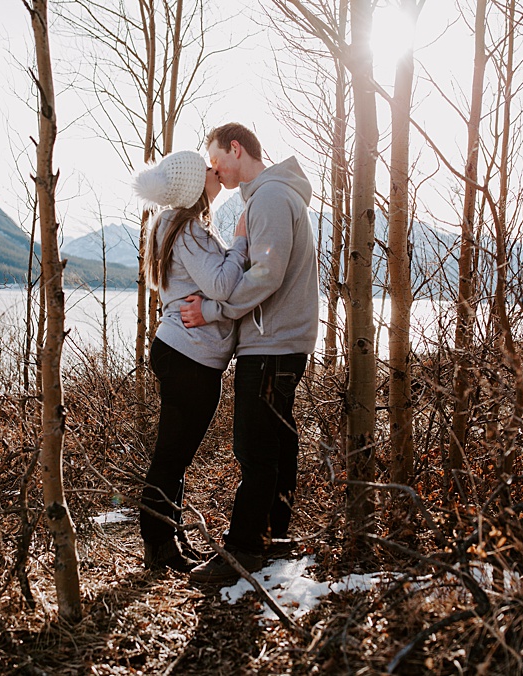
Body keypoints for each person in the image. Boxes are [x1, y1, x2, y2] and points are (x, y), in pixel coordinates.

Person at [181, 122, 320, 584]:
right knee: (278, 442)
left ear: (235, 148)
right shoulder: (272, 196)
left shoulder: (271, 197)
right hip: (280, 340)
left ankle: (242, 550)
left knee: (254, 447)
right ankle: (274, 538)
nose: (214, 169)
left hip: (272, 343)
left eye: (216, 157)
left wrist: (215, 310)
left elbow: (266, 275)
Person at [131, 150, 241, 574]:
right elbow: (222, 283)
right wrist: (243, 242)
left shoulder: (173, 226)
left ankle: (169, 537)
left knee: (175, 454)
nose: (216, 173)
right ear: (196, 186)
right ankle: (159, 543)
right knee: (172, 454)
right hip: (189, 357)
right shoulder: (189, 231)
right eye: (208, 171)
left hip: (183, 353)